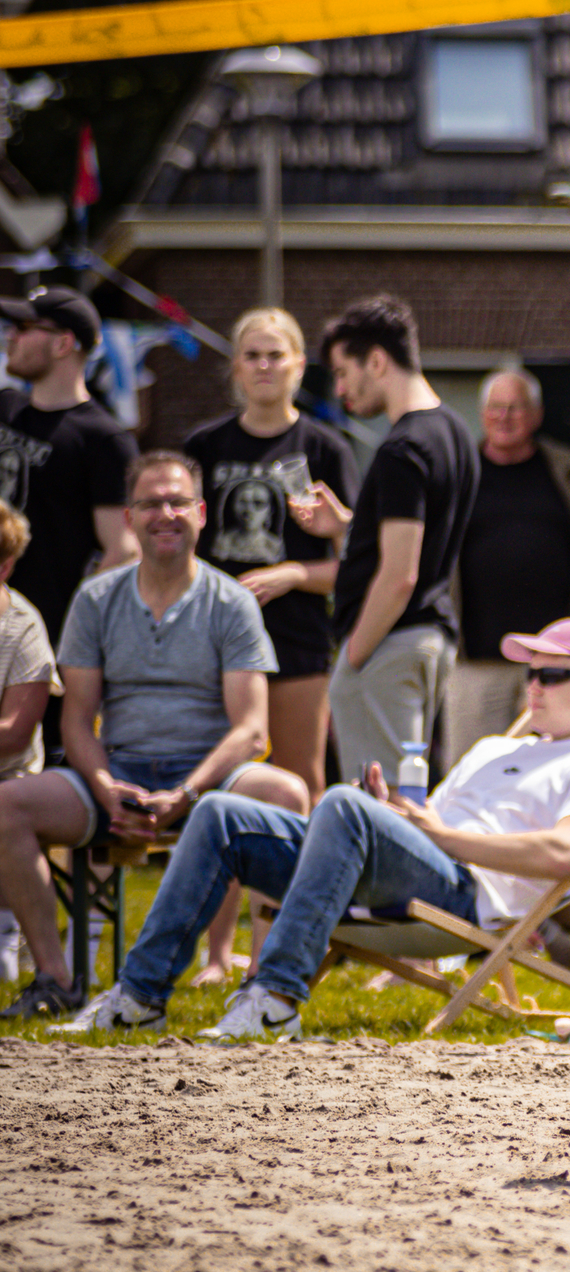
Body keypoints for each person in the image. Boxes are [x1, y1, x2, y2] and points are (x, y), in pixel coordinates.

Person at [59, 618, 570, 1043]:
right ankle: (138, 996)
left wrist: (440, 837)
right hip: (415, 868)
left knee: (340, 803)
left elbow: (568, 853)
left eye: (553, 674)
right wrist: (390, 817)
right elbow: (425, 825)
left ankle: (275, 997)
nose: (533, 686)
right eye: (531, 673)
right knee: (221, 813)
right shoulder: (498, 748)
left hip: (465, 895)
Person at [0, 450, 301, 1020]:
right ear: (128, 519)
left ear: (203, 513)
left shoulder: (231, 602)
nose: (166, 514)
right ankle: (56, 980)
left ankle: (265, 982)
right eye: (150, 503)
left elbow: (250, 730)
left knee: (286, 795)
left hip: (208, 777)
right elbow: (76, 719)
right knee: (5, 805)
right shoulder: (95, 600)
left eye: (178, 501)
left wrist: (187, 792)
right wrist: (105, 783)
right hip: (117, 769)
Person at [182, 307, 360, 982]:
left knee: (298, 785)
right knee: (223, 790)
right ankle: (216, 953)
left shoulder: (326, 446)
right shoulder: (204, 447)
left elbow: (357, 557)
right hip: (217, 646)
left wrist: (294, 573)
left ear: (297, 365)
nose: (263, 366)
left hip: (297, 641)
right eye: (251, 355)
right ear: (235, 368)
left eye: (275, 355)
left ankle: (282, 948)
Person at [297, 297, 477, 786]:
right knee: (413, 794)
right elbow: (421, 537)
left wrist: (353, 658)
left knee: (385, 811)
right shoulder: (455, 433)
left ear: (376, 361)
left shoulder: (402, 448)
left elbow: (400, 575)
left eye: (341, 372)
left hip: (389, 644)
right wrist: (349, 527)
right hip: (429, 637)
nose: (338, 389)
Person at [444, 368, 570, 763]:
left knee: (548, 772)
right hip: (475, 662)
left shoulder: (567, 472)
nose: (505, 417)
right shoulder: (457, 474)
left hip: (552, 663)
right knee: (469, 773)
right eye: (496, 408)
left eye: (516, 408)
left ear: (536, 415)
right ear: (483, 414)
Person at [0, 286, 136, 639]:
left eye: (24, 327)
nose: (10, 336)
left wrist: (75, 626)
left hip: (43, 636)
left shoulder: (104, 439)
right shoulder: (4, 407)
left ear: (63, 344)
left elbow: (122, 548)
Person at [0, 499, 57, 985]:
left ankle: (7, 930)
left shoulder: (23, 626)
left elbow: (15, 732)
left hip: (10, 778)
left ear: (7, 564)